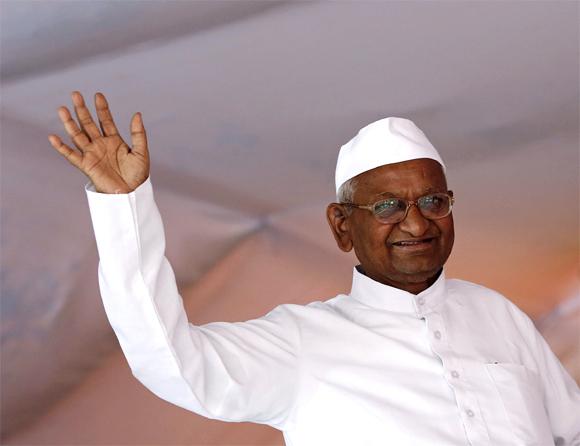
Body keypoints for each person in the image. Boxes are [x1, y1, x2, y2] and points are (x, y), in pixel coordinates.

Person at [49, 91, 580, 446]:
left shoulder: (497, 315)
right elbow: (173, 363)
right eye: (389, 206)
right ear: (341, 225)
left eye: (434, 201)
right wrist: (125, 207)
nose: (417, 224)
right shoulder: (302, 341)